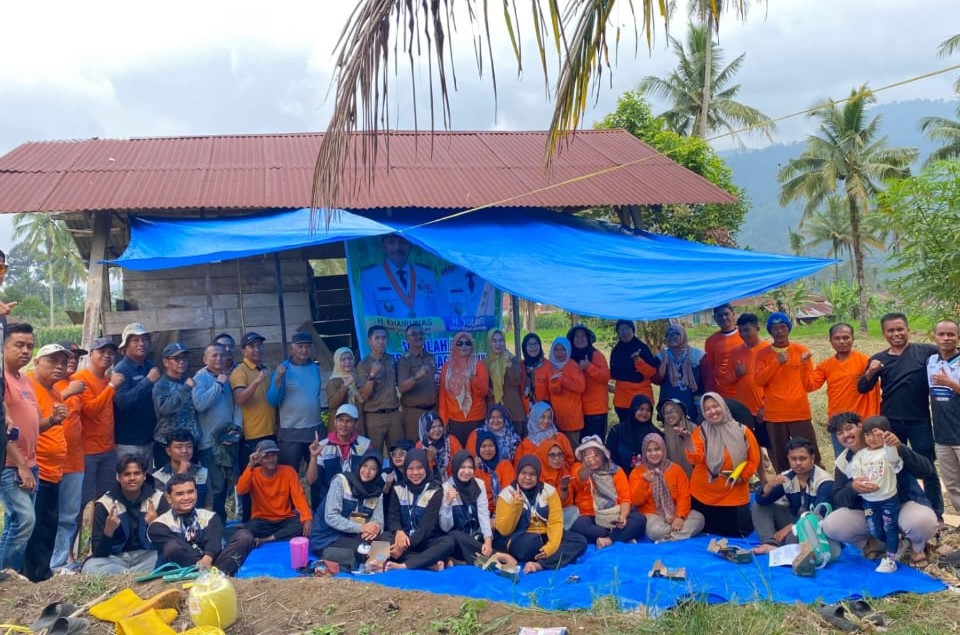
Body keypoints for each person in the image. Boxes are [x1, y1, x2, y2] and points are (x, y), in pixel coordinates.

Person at [822, 411, 938, 569]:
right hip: (871, 511)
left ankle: (916, 547)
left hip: (902, 505)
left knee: (922, 521)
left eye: (849, 428)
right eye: (840, 433)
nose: (846, 435)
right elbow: (838, 497)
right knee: (831, 525)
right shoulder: (844, 461)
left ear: (861, 427)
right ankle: (877, 542)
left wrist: (901, 448)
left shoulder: (889, 445)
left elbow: (926, 470)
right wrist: (853, 488)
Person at [858, 312, 943, 519]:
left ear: (908, 330)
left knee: (927, 465)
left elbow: (950, 354)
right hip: (891, 422)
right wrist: (871, 372)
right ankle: (905, 505)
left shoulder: (926, 351)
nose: (896, 334)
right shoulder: (879, 359)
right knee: (896, 465)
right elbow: (862, 387)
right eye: (891, 330)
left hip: (919, 420)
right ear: (884, 334)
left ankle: (936, 512)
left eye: (900, 329)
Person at [23, 343, 72, 582]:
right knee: (32, 525)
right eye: (52, 361)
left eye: (62, 362)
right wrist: (52, 420)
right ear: (37, 362)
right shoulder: (28, 386)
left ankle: (42, 573)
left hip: (54, 470)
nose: (59, 366)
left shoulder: (55, 391)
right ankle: (27, 574)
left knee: (48, 524)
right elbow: (28, 428)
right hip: (35, 469)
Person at [681, 391, 760, 537]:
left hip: (734, 492)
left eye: (715, 406)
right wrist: (688, 442)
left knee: (737, 533)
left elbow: (753, 459)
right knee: (704, 531)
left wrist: (742, 477)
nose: (712, 411)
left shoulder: (743, 431)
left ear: (723, 407)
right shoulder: (700, 432)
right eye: (707, 409)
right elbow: (695, 459)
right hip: (703, 495)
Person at [494, 455, 588, 574]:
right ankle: (551, 558)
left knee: (580, 541)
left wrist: (551, 547)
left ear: (538, 475)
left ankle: (540, 565)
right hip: (520, 539)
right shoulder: (506, 494)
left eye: (532, 474)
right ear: (518, 473)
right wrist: (516, 506)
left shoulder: (549, 491)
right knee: (530, 545)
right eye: (524, 473)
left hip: (546, 535)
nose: (527, 478)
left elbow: (555, 523)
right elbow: (504, 530)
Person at [148, 473, 254, 576]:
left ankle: (217, 576)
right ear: (168, 498)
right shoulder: (158, 525)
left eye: (190, 492)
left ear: (196, 493)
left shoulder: (210, 516)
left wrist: (208, 557)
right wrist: (202, 562)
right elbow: (176, 549)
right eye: (179, 494)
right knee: (172, 547)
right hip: (185, 573)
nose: (186, 497)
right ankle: (209, 576)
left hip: (215, 565)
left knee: (244, 536)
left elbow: (214, 542)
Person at [754, 312, 821, 473]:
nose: (779, 331)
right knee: (780, 457)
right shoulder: (763, 354)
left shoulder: (800, 350)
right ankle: (786, 488)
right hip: (775, 414)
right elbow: (759, 381)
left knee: (810, 453)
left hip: (799, 411)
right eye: (774, 328)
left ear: (789, 329)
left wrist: (804, 364)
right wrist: (776, 363)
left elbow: (809, 384)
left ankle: (818, 484)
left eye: (783, 327)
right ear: (769, 331)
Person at [806, 323, 880, 457]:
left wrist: (872, 421)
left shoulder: (865, 361)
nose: (842, 341)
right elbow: (810, 386)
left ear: (853, 339)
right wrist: (804, 365)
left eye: (846, 338)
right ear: (830, 341)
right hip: (838, 422)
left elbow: (873, 389)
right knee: (843, 462)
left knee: (869, 460)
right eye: (837, 338)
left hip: (862, 422)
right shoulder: (826, 365)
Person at [82, 454, 164, 576]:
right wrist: (108, 532)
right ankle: (133, 575)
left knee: (168, 558)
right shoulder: (104, 504)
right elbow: (98, 552)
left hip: (147, 556)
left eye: (137, 473)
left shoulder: (158, 499)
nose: (132, 478)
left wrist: (156, 525)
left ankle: (127, 575)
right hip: (115, 559)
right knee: (90, 567)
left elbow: (169, 543)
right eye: (127, 474)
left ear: (144, 476)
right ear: (118, 477)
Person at [751, 437, 834, 555]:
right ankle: (770, 543)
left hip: (815, 525)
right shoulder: (787, 477)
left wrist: (791, 527)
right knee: (758, 506)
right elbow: (762, 501)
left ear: (812, 458)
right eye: (793, 459)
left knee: (792, 539)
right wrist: (769, 485)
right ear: (788, 459)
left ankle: (788, 543)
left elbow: (819, 515)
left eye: (803, 458)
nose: (798, 463)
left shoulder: (824, 481)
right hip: (793, 518)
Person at [0, 322, 39, 572]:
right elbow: (2, 429)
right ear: (3, 347)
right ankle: (9, 577)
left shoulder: (24, 379)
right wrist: (22, 466)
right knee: (25, 520)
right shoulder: (1, 380)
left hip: (31, 463)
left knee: (15, 522)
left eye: (30, 346)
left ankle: (4, 574)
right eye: (19, 345)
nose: (25, 351)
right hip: (11, 464)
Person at [845, 416, 904, 573]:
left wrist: (888, 443)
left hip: (888, 499)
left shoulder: (888, 452)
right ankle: (896, 543)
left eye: (877, 435)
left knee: (889, 527)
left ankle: (890, 559)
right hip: (869, 500)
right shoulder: (861, 455)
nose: (871, 439)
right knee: (874, 529)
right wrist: (862, 484)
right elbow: (855, 472)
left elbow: (894, 460)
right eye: (867, 434)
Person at [309, 449, 386, 565]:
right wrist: (361, 528)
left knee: (383, 541)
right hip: (329, 536)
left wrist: (373, 529)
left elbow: (378, 521)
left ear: (378, 471)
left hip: (352, 534)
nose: (367, 471)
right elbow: (331, 516)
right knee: (364, 550)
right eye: (365, 466)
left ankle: (370, 559)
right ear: (359, 465)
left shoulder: (376, 491)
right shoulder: (341, 481)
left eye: (373, 469)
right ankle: (362, 558)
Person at [50, 341, 88, 573]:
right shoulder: (46, 382)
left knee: (69, 515)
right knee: (47, 515)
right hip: (50, 462)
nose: (72, 360)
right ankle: (44, 562)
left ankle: (61, 561)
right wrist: (66, 393)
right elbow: (40, 411)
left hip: (75, 459)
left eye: (75, 356)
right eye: (67, 356)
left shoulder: (78, 384)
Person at [230, 331, 276, 521]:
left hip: (270, 432)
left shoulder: (265, 368)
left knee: (269, 480)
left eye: (259, 345)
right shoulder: (240, 372)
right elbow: (240, 398)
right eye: (252, 346)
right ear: (243, 350)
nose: (257, 349)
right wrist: (257, 381)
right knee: (251, 481)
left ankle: (270, 516)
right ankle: (248, 522)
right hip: (252, 435)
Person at [385, 448, 455, 570]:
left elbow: (426, 528)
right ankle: (429, 564)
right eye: (411, 468)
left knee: (448, 543)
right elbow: (392, 517)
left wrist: (403, 547)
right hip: (403, 538)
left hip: (425, 541)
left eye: (419, 468)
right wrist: (398, 531)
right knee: (385, 537)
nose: (415, 473)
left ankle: (404, 564)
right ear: (405, 469)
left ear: (426, 468)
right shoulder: (398, 488)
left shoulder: (435, 490)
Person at [568, 436, 645, 548]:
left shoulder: (616, 470)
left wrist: (622, 517)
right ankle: (619, 536)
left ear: (603, 455)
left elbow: (625, 498)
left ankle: (609, 539)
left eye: (596, 455)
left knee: (640, 520)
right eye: (586, 455)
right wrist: (586, 466)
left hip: (615, 513)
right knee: (578, 526)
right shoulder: (577, 468)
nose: (592, 459)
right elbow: (580, 479)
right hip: (591, 516)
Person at [75, 337, 124, 512]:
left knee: (106, 500)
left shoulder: (107, 379)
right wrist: (111, 387)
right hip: (87, 452)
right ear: (91, 354)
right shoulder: (81, 379)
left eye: (111, 352)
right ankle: (78, 538)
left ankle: (100, 537)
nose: (107, 356)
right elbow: (90, 411)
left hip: (108, 450)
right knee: (84, 502)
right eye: (102, 352)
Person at [236, 439, 313, 545]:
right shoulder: (253, 473)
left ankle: (266, 540)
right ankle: (280, 535)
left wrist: (307, 518)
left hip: (285, 519)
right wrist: (250, 465)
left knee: (302, 524)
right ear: (259, 460)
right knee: (248, 529)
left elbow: (299, 497)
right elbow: (240, 490)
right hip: (262, 521)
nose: (271, 459)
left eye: (273, 455)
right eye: (266, 456)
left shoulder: (288, 471)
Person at [192, 342, 237, 521]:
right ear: (205, 359)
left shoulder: (226, 377)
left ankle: (222, 522)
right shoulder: (200, 378)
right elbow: (200, 404)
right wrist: (218, 384)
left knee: (226, 485)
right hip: (209, 444)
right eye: (214, 355)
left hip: (227, 441)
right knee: (215, 487)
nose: (219, 359)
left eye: (222, 355)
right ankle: (214, 524)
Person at [630, 433, 704, 542]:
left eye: (657, 449)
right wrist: (644, 482)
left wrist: (680, 517)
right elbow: (636, 501)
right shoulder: (637, 472)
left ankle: (669, 539)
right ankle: (677, 535)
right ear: (644, 453)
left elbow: (684, 496)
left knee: (699, 518)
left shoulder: (676, 469)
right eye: (649, 450)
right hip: (652, 515)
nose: (654, 453)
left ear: (664, 450)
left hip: (675, 512)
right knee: (655, 531)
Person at [267, 332, 323, 472]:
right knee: (289, 473)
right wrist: (278, 379)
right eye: (300, 346)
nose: (304, 350)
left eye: (308, 347)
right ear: (292, 349)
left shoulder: (315, 368)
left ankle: (317, 495)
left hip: (314, 428)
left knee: (317, 471)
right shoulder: (283, 369)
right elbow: (272, 400)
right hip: (291, 431)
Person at [306, 403, 372, 507]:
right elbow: (311, 480)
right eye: (340, 420)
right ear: (335, 422)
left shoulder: (365, 445)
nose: (344, 425)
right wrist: (313, 457)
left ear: (356, 423)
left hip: (356, 498)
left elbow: (372, 476)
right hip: (329, 500)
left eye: (348, 421)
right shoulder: (323, 446)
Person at [112, 323, 161, 463]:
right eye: (135, 340)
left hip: (149, 440)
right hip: (129, 443)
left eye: (145, 339)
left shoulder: (150, 366)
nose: (141, 344)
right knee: (130, 482)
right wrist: (147, 382)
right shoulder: (121, 370)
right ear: (125, 346)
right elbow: (123, 403)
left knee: (147, 482)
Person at [360, 234, 439, 318]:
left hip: (427, 330)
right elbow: (370, 318)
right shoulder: (369, 276)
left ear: (410, 244)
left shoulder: (427, 274)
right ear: (383, 246)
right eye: (391, 242)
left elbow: (439, 312)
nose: (397, 247)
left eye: (402, 241)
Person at [928, 319, 960, 515]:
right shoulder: (931, 361)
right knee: (953, 485)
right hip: (942, 436)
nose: (946, 338)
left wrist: (950, 383)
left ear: (958, 337)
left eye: (951, 334)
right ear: (934, 337)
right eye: (942, 334)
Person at [440, 450, 495, 563]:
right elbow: (445, 527)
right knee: (453, 537)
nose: (466, 471)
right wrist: (448, 503)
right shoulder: (446, 488)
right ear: (455, 468)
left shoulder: (479, 485)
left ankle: (467, 560)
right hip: (457, 539)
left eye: (470, 467)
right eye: (462, 467)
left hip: (476, 536)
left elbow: (483, 515)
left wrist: (488, 542)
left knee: (494, 534)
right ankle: (496, 556)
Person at [724, 313, 770, 447]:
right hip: (742, 409)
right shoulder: (735, 351)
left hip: (763, 409)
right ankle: (758, 469)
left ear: (757, 328)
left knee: (770, 445)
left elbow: (776, 383)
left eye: (747, 330)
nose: (744, 334)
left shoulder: (768, 350)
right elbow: (727, 379)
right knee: (749, 446)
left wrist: (766, 406)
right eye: (741, 331)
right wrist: (736, 373)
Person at [357, 325, 403, 453]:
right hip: (374, 416)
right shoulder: (363, 365)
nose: (381, 341)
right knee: (374, 455)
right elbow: (364, 395)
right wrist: (372, 374)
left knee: (399, 453)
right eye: (377, 338)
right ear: (369, 342)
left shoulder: (392, 360)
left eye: (384, 338)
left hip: (394, 414)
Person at [438, 331, 489, 445]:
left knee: (476, 452)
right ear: (454, 346)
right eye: (460, 343)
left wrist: (472, 378)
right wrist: (443, 420)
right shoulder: (447, 367)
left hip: (476, 418)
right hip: (454, 420)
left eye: (467, 343)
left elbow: (484, 392)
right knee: (457, 456)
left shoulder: (479, 365)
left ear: (472, 346)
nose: (464, 346)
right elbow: (443, 396)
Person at [533, 337, 585, 445]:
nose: (559, 353)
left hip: (572, 418)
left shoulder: (573, 365)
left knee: (573, 447)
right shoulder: (550, 366)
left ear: (568, 350)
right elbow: (554, 391)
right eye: (556, 349)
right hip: (556, 418)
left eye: (563, 349)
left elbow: (580, 386)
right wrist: (554, 382)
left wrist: (562, 379)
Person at [152, 342, 202, 454]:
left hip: (189, 445)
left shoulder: (188, 381)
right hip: (168, 446)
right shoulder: (161, 385)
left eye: (184, 358)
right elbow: (165, 409)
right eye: (176, 358)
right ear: (166, 362)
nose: (182, 361)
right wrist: (185, 389)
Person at [609, 320, 658, 425]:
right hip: (622, 399)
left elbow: (652, 372)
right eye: (620, 330)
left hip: (642, 396)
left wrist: (638, 361)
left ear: (633, 330)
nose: (624, 332)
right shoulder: (616, 350)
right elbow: (613, 374)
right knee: (625, 430)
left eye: (627, 329)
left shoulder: (642, 348)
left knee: (643, 430)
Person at [397, 323, 439, 442]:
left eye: (421, 333)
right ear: (407, 338)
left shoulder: (431, 357)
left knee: (433, 446)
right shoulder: (404, 361)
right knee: (414, 449)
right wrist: (416, 376)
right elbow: (402, 388)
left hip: (432, 411)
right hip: (414, 414)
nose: (418, 337)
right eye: (413, 334)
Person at [568, 325, 611, 441]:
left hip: (595, 410)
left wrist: (589, 367)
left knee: (596, 447)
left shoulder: (596, 355)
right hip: (577, 411)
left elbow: (606, 377)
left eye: (583, 336)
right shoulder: (570, 357)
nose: (580, 339)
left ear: (588, 338)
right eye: (577, 336)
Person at [655, 324, 704, 420]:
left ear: (683, 335)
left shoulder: (698, 355)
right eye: (668, 335)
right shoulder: (661, 356)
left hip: (692, 402)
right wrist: (664, 362)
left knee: (694, 431)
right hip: (669, 402)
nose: (671, 337)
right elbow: (657, 380)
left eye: (675, 334)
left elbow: (704, 380)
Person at [605, 395, 663, 473]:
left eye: (648, 410)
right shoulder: (617, 431)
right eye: (641, 409)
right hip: (620, 477)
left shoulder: (656, 434)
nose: (644, 413)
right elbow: (610, 457)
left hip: (648, 478)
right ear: (633, 409)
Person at [152, 430, 209, 507]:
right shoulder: (158, 477)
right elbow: (166, 505)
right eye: (179, 447)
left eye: (189, 446)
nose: (184, 450)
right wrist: (181, 472)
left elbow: (209, 505)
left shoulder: (203, 472)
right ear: (168, 451)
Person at [514, 402, 574, 470]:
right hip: (534, 479)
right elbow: (520, 467)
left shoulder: (560, 437)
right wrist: (546, 443)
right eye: (542, 417)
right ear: (535, 417)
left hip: (558, 478)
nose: (546, 421)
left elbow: (570, 461)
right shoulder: (525, 443)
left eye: (549, 418)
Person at [486, 329, 526, 429]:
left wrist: (509, 364)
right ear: (489, 342)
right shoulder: (486, 362)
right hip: (494, 410)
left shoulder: (512, 358)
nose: (498, 344)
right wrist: (490, 391)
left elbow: (516, 380)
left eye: (501, 340)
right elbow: (484, 386)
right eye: (494, 341)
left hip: (513, 409)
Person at [702, 304, 743, 399]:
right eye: (719, 316)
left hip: (743, 390)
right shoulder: (711, 341)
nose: (724, 318)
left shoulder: (744, 335)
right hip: (722, 392)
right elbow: (711, 368)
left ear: (733, 314)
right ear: (715, 318)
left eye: (726, 314)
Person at [473, 430, 516, 514]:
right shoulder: (476, 467)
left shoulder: (505, 465)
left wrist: (496, 516)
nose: (487, 449)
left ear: (496, 447)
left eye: (491, 445)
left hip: (503, 511)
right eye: (483, 446)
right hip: (481, 512)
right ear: (478, 448)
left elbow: (508, 494)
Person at [326, 347, 364, 433]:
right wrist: (346, 385)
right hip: (339, 427)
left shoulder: (357, 376)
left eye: (350, 358)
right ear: (337, 362)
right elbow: (333, 404)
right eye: (343, 359)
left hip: (356, 424)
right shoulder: (333, 381)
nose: (347, 362)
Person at [416, 411, 463, 480]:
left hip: (453, 481)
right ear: (425, 429)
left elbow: (462, 461)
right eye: (432, 427)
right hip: (429, 484)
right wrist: (429, 459)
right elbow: (418, 473)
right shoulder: (420, 446)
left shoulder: (451, 440)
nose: (437, 430)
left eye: (439, 426)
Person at [658, 399, 696, 477]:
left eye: (672, 411)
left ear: (680, 411)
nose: (668, 416)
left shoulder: (694, 429)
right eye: (665, 413)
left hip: (695, 475)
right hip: (674, 477)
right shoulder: (664, 435)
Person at [520, 333, 546, 414]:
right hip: (524, 412)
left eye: (535, 344)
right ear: (524, 347)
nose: (533, 347)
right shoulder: (520, 366)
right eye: (529, 344)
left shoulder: (547, 365)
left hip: (544, 412)